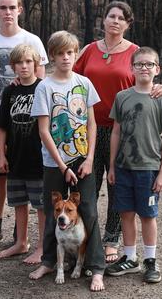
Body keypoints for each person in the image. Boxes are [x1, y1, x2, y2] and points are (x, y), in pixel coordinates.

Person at [73, 1, 162, 263]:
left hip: (123, 130)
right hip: (88, 128)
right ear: (103, 20)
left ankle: (111, 240)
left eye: (121, 18)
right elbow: (70, 80)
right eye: (111, 16)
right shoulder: (89, 50)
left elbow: (148, 78)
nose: (115, 21)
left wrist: (161, 89)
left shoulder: (136, 53)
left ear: (128, 24)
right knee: (88, 185)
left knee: (117, 187)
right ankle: (86, 237)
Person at [28, 31, 105, 292]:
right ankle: (49, 260)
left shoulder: (85, 83)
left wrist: (90, 158)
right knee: (53, 212)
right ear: (52, 56)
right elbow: (43, 130)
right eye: (60, 53)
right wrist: (63, 166)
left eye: (70, 53)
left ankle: (96, 267)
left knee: (90, 212)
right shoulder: (44, 87)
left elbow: (92, 124)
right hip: (54, 163)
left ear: (75, 54)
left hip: (83, 159)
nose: (65, 58)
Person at [0, 0, 48, 248]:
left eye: (12, 7)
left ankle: (22, 235)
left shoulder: (33, 41)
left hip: (27, 120)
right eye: (2, 7)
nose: (7, 12)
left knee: (28, 174)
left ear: (20, 9)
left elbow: (42, 82)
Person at [105, 47, 162, 283]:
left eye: (149, 64)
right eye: (139, 64)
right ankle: (130, 257)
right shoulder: (122, 97)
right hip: (124, 167)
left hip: (149, 169)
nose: (144, 68)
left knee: (147, 215)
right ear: (131, 68)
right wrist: (112, 166)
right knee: (125, 213)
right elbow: (116, 132)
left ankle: (150, 260)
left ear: (157, 69)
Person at [0, 44, 45, 264]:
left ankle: (42, 247)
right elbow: (3, 125)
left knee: (41, 206)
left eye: (28, 61)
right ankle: (21, 242)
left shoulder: (44, 88)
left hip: (38, 158)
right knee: (18, 203)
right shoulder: (10, 91)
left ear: (36, 64)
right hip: (15, 157)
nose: (24, 66)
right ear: (13, 66)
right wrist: (1, 155)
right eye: (19, 62)